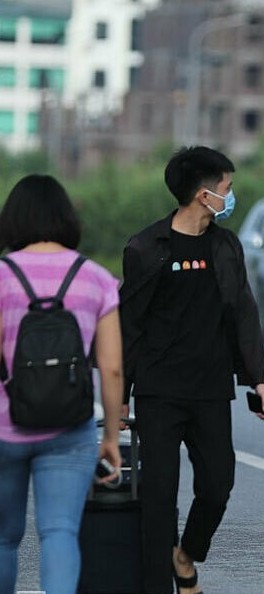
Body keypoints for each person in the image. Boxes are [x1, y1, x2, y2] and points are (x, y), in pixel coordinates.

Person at [119, 146, 264, 594]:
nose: (231, 195)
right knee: (158, 498)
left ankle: (185, 555)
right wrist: (121, 399)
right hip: (159, 392)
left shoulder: (225, 246)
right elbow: (130, 327)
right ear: (203, 194)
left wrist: (258, 380)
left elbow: (244, 315)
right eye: (226, 187)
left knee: (217, 484)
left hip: (210, 389)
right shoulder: (146, 248)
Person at [0, 174, 123, 594]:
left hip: (3, 427)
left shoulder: (1, 276)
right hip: (70, 429)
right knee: (59, 533)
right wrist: (108, 435)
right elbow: (111, 368)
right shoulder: (96, 278)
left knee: (2, 537)